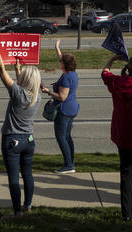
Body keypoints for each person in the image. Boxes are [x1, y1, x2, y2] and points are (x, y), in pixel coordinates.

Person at [0, 35, 41, 217]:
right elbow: (23, 85)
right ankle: (28, 205)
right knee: (27, 174)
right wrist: (19, 71)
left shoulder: (18, 94)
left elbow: (2, 71)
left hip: (12, 140)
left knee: (13, 177)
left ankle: (16, 212)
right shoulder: (37, 96)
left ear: (25, 80)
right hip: (29, 140)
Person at [101, 54, 132, 222]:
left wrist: (112, 59)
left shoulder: (117, 82)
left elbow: (105, 73)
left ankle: (127, 214)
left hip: (122, 135)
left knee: (126, 174)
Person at [41, 39, 79, 173]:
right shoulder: (71, 73)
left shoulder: (66, 78)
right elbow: (61, 58)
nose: (59, 62)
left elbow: (62, 97)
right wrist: (56, 47)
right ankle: (71, 162)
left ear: (64, 65)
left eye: (61, 61)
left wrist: (48, 92)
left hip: (64, 110)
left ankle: (68, 165)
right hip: (72, 108)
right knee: (67, 136)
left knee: (61, 137)